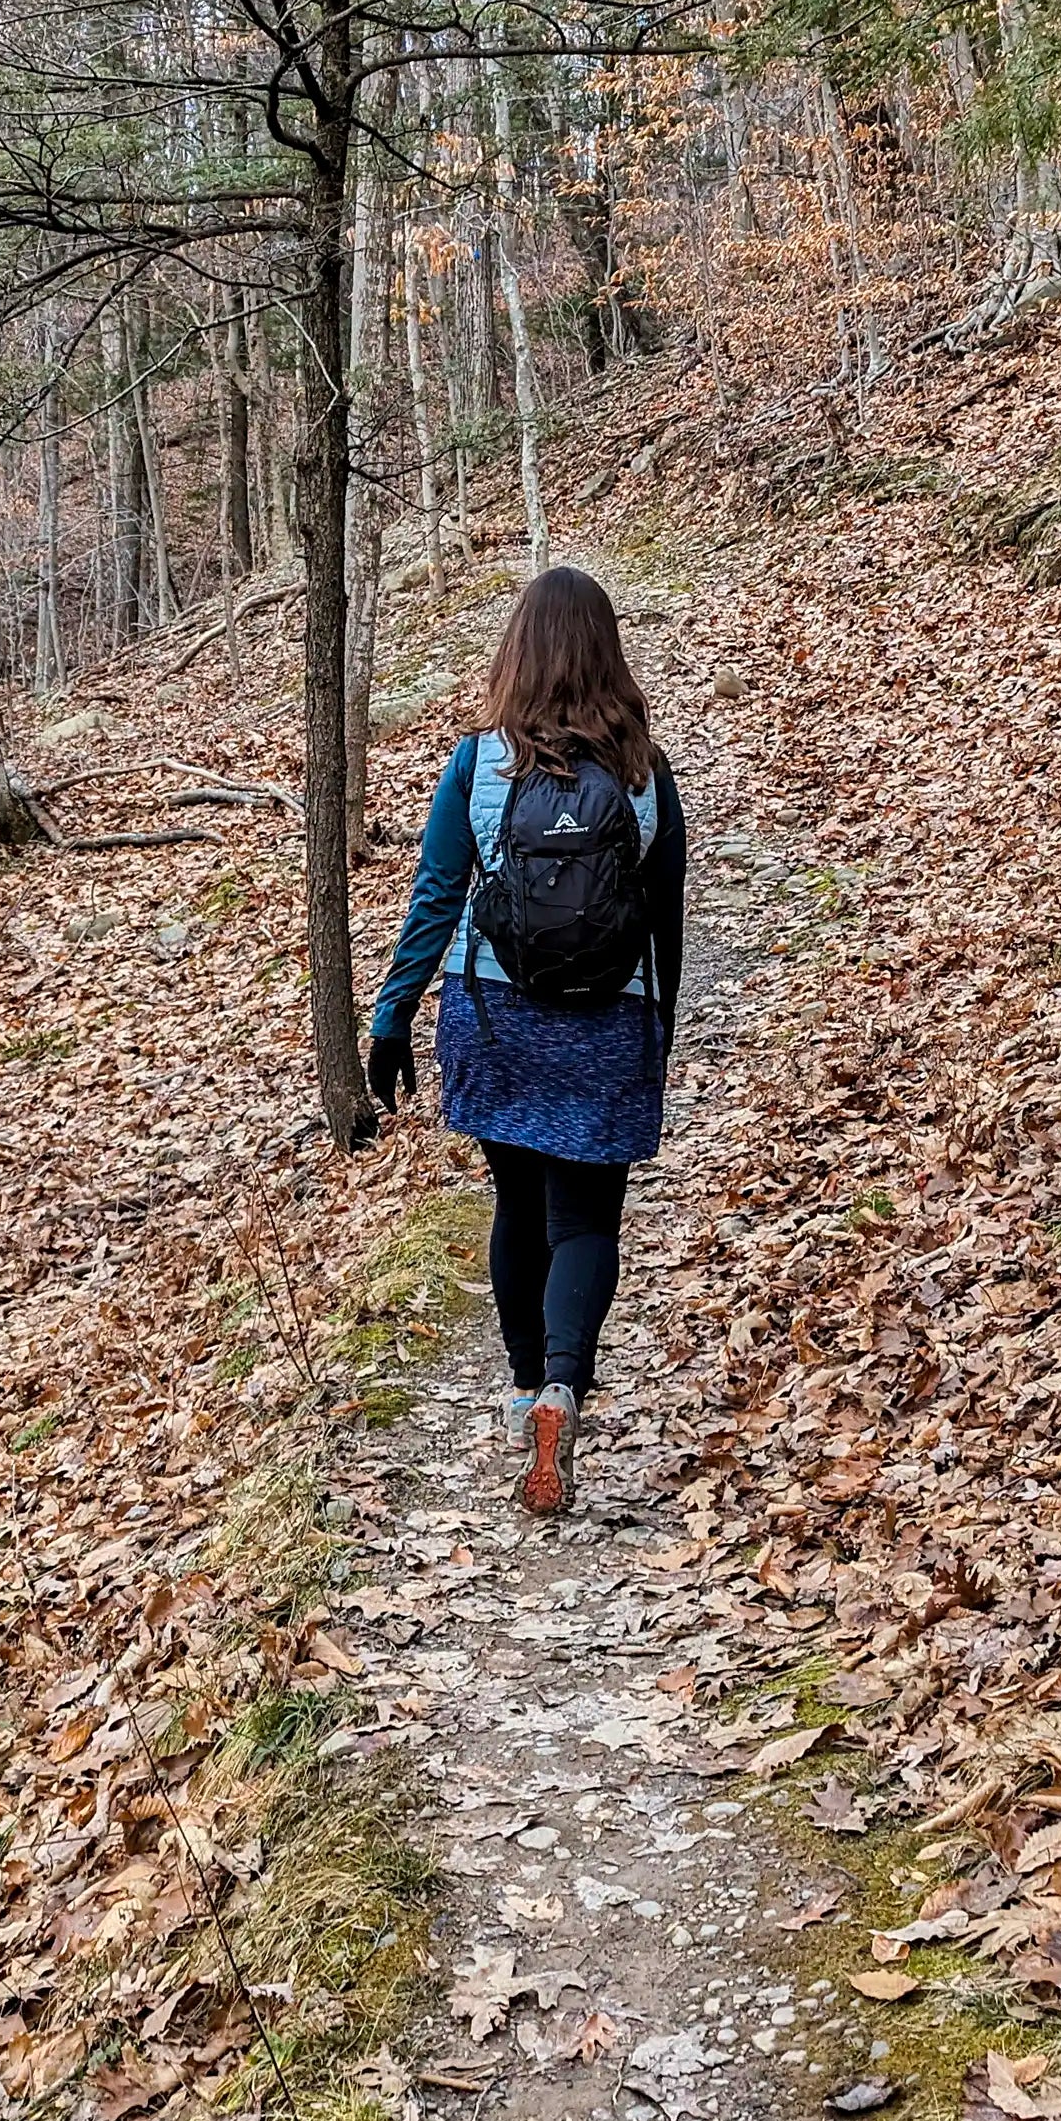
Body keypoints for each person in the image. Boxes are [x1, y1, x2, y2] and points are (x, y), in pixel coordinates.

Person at [366, 567, 688, 1514]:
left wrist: (392, 1015)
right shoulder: (642, 770)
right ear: (607, 650)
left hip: (493, 1014)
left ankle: (518, 1400)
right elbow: (663, 914)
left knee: (516, 1205)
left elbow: (434, 895)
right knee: (584, 1219)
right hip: (606, 1017)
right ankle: (563, 1386)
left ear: (517, 651)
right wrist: (657, 1028)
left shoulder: (476, 761)